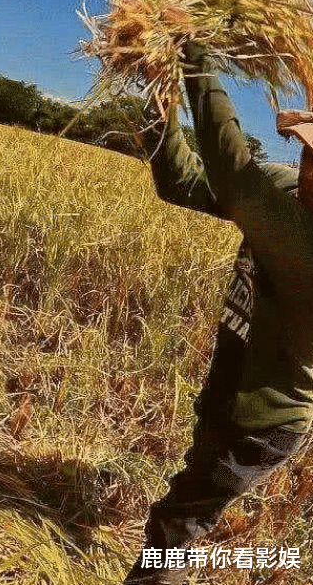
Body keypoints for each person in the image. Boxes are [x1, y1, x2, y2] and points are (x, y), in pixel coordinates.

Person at [124, 42, 313, 584]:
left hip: (260, 424)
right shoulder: (285, 195)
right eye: (307, 154)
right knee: (188, 499)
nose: (306, 170)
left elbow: (232, 171)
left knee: (175, 530)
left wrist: (193, 55)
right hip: (231, 391)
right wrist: (160, 106)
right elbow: (186, 185)